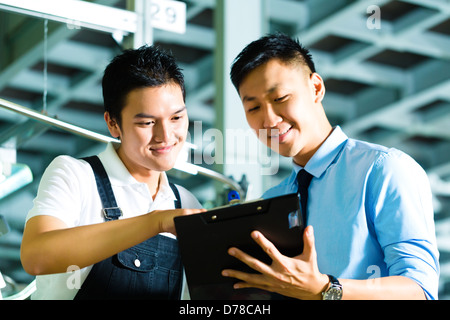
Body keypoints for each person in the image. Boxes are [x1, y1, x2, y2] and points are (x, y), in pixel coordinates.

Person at [222, 33, 440, 300]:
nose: (269, 119)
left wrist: (326, 289)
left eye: (279, 98)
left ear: (316, 88)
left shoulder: (383, 170)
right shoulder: (270, 202)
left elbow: (420, 289)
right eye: (254, 108)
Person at [20, 45, 204, 299]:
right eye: (147, 123)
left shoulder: (185, 201)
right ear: (113, 123)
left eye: (176, 118)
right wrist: (155, 222)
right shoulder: (76, 176)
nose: (165, 136)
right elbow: (36, 257)